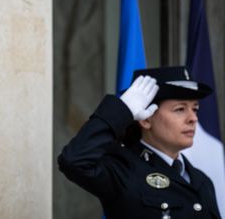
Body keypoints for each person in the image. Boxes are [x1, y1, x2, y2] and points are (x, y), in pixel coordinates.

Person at [58, 66, 221, 219]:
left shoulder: (201, 181)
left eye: (195, 109)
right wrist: (122, 110)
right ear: (146, 119)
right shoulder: (122, 170)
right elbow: (74, 161)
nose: (193, 118)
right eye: (180, 109)